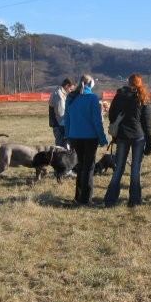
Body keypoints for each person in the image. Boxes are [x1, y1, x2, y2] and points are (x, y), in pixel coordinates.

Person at [104, 73, 151, 208]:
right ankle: (134, 200)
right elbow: (147, 125)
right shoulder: (142, 98)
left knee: (119, 168)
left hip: (122, 136)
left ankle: (110, 199)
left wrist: (118, 129)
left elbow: (112, 115)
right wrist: (149, 144)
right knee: (135, 169)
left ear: (128, 82)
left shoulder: (119, 96)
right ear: (139, 84)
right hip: (138, 136)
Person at [63, 74, 109, 205]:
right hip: (90, 138)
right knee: (88, 168)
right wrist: (102, 138)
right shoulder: (92, 98)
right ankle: (86, 199)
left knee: (81, 165)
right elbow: (97, 121)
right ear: (91, 84)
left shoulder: (71, 97)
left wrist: (68, 136)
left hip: (74, 136)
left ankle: (78, 197)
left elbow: (67, 119)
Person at [48, 78, 74, 148]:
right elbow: (61, 114)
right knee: (62, 148)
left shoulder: (60, 93)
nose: (71, 91)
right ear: (67, 86)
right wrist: (65, 130)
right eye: (70, 89)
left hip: (60, 125)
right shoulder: (59, 95)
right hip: (60, 126)